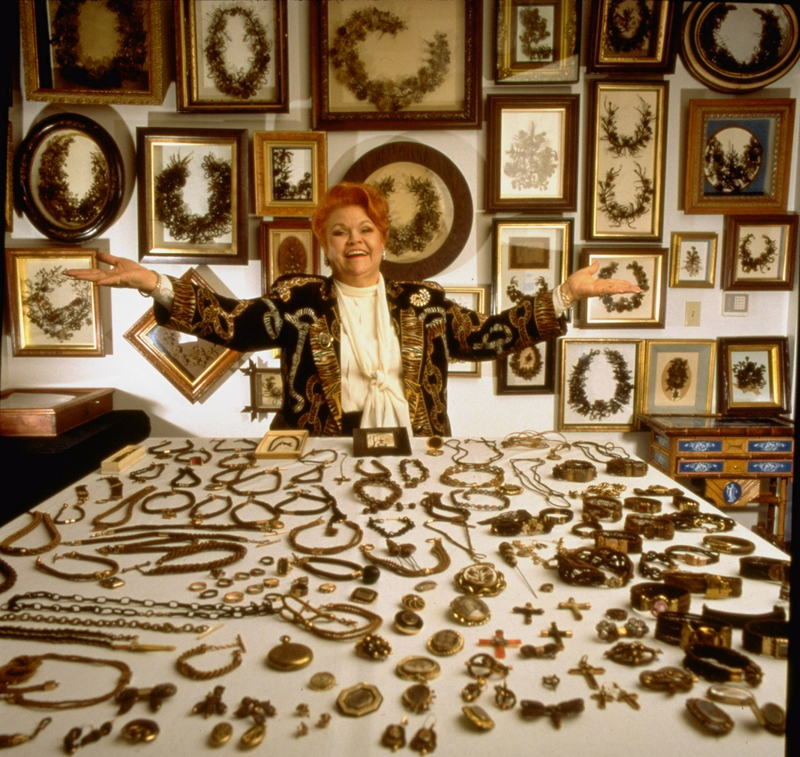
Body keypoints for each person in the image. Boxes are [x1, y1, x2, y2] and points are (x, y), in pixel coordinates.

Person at [67, 182, 640, 437]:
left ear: (384, 237)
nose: (354, 241)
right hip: (317, 457)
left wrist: (563, 295)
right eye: (339, 232)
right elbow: (234, 325)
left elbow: (489, 337)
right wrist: (155, 283)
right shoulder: (298, 299)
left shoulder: (426, 302)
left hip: (416, 450)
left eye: (365, 229)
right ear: (324, 243)